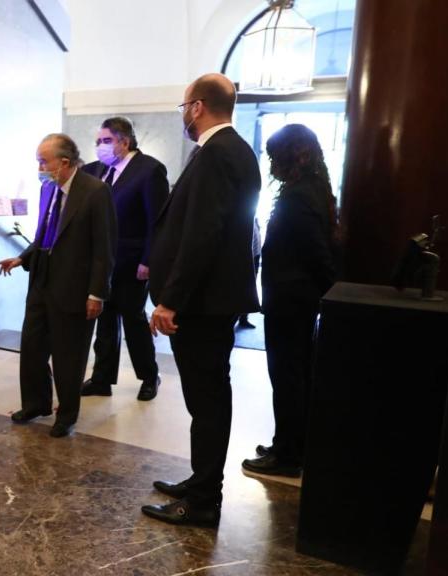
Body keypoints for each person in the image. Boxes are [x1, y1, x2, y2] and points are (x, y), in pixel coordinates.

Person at [143, 73, 261, 527]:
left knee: (208, 401)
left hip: (202, 304)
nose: (184, 117)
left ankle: (204, 500)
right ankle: (200, 482)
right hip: (211, 300)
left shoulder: (217, 153)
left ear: (196, 106)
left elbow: (202, 234)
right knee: (206, 400)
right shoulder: (231, 150)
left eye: (183, 108)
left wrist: (171, 300)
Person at [0, 133, 115, 438]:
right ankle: (36, 403)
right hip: (42, 279)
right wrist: (22, 259)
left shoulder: (95, 191)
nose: (39, 167)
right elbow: (44, 235)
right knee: (33, 346)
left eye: (42, 161)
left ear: (64, 162)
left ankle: (67, 414)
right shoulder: (48, 189)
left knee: (68, 354)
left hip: (75, 287)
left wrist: (96, 293)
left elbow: (104, 249)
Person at [241, 124, 337, 477]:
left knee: (287, 378)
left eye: (273, 157)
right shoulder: (315, 189)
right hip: (298, 299)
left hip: (291, 300)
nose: (271, 165)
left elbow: (314, 252)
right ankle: (291, 443)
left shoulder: (298, 196)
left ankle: (287, 454)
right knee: (296, 375)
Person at [81, 117, 168, 401]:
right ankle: (102, 378)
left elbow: (157, 220)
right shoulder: (94, 171)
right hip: (101, 261)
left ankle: (149, 375)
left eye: (106, 141)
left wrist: (150, 260)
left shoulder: (149, 170)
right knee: (104, 321)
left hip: (133, 260)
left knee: (133, 320)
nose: (100, 147)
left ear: (124, 141)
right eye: (98, 142)